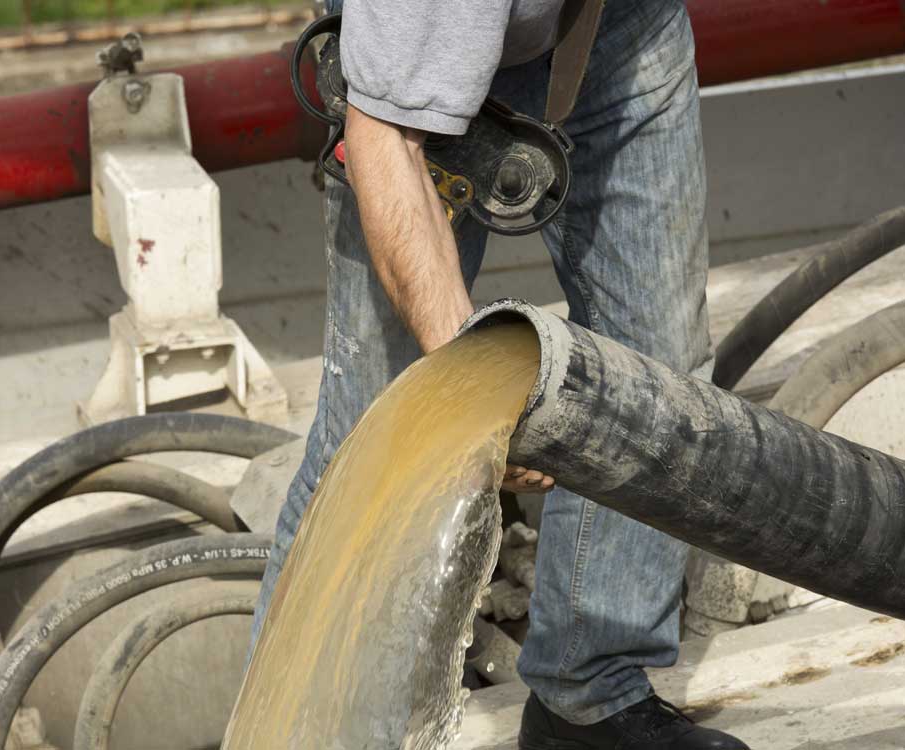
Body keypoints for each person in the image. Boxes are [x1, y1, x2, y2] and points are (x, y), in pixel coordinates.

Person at [254, 1, 749, 748]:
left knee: (658, 363)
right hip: (412, 72)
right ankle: (309, 737)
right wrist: (471, 386)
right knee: (384, 424)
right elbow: (383, 139)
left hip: (619, 20)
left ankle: (590, 692)